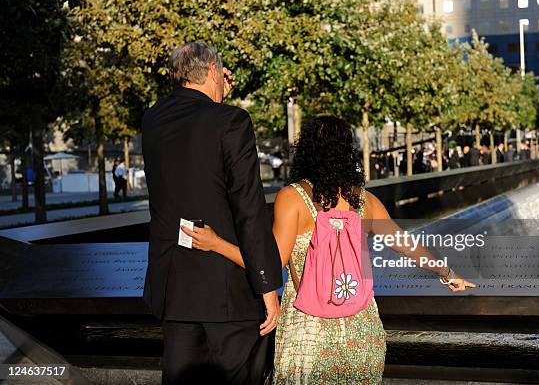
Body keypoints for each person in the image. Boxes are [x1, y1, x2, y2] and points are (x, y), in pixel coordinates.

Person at [183, 116, 475, 383]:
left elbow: (271, 264)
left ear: (306, 150)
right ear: (347, 152)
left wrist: (216, 244)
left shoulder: (293, 199)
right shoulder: (364, 201)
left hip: (309, 334)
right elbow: (405, 244)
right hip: (362, 333)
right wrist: (447, 272)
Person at [141, 42, 282, 385]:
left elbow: (195, 129)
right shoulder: (231, 121)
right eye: (220, 73)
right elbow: (249, 208)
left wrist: (214, 92)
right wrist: (268, 288)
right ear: (213, 72)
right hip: (227, 297)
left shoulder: (153, 119)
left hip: (174, 292)